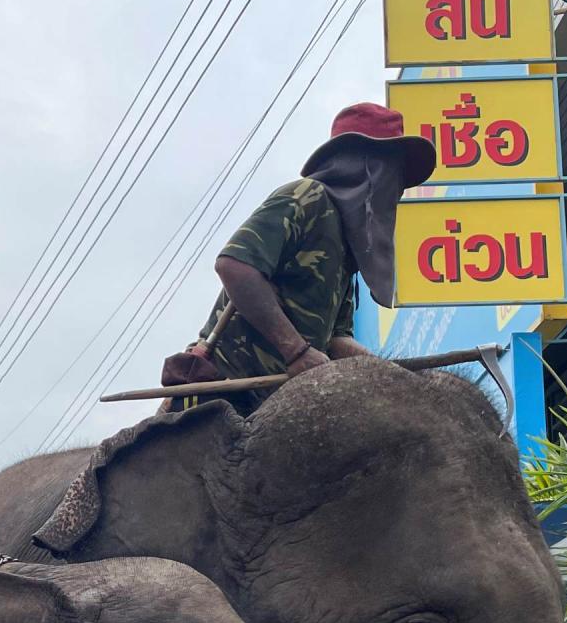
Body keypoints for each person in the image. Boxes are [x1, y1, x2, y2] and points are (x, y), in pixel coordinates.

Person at [169, 103, 435, 415]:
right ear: (366, 165)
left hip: (275, 406)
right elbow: (234, 266)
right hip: (225, 391)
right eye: (395, 173)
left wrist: (392, 376)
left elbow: (336, 339)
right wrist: (296, 351)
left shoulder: (347, 246)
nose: (398, 189)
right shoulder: (307, 197)